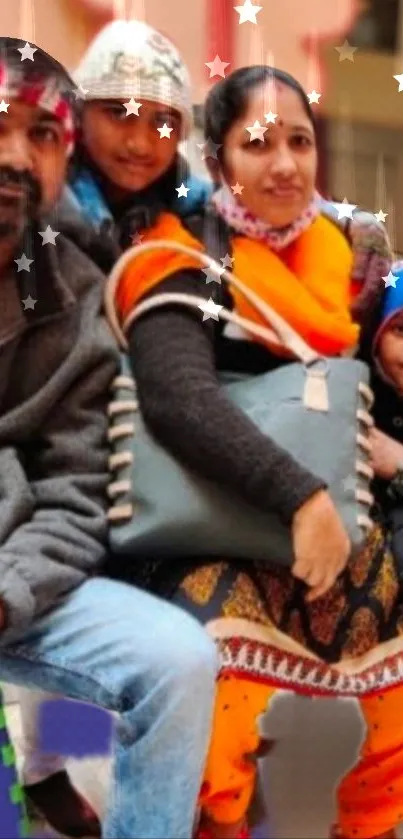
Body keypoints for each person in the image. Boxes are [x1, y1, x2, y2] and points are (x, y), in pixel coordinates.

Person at [107, 64, 403, 839]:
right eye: (257, 142)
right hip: (206, 525)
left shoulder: (349, 263)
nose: (283, 164)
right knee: (210, 651)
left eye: (299, 142)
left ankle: (372, 824)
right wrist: (301, 498)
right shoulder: (182, 253)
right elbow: (177, 399)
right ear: (218, 160)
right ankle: (219, 821)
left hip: (331, 524)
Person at [0, 35, 217, 839]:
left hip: (84, 501)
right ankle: (45, 770)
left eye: (40, 135)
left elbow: (69, 488)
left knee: (168, 647)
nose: (16, 155)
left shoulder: (166, 232)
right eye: (117, 114)